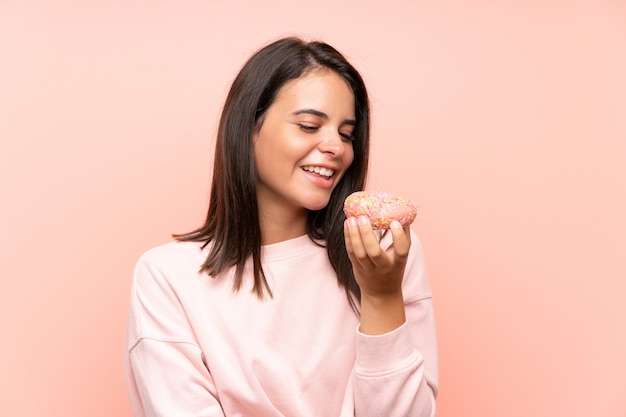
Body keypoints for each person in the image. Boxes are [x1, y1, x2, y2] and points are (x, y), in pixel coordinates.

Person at [124, 37, 438, 417]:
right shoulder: (168, 277)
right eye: (309, 125)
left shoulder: (384, 252)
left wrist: (381, 299)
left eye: (346, 133)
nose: (336, 147)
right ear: (249, 128)